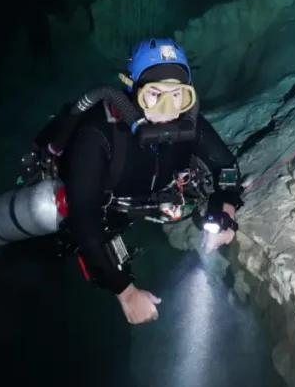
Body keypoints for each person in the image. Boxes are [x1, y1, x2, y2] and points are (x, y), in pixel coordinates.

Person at [57, 38, 243, 325]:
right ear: (133, 90)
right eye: (154, 95)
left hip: (152, 201)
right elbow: (83, 220)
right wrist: (126, 292)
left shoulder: (189, 122)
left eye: (178, 95)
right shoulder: (97, 134)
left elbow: (227, 169)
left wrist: (226, 211)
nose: (168, 110)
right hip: (104, 211)